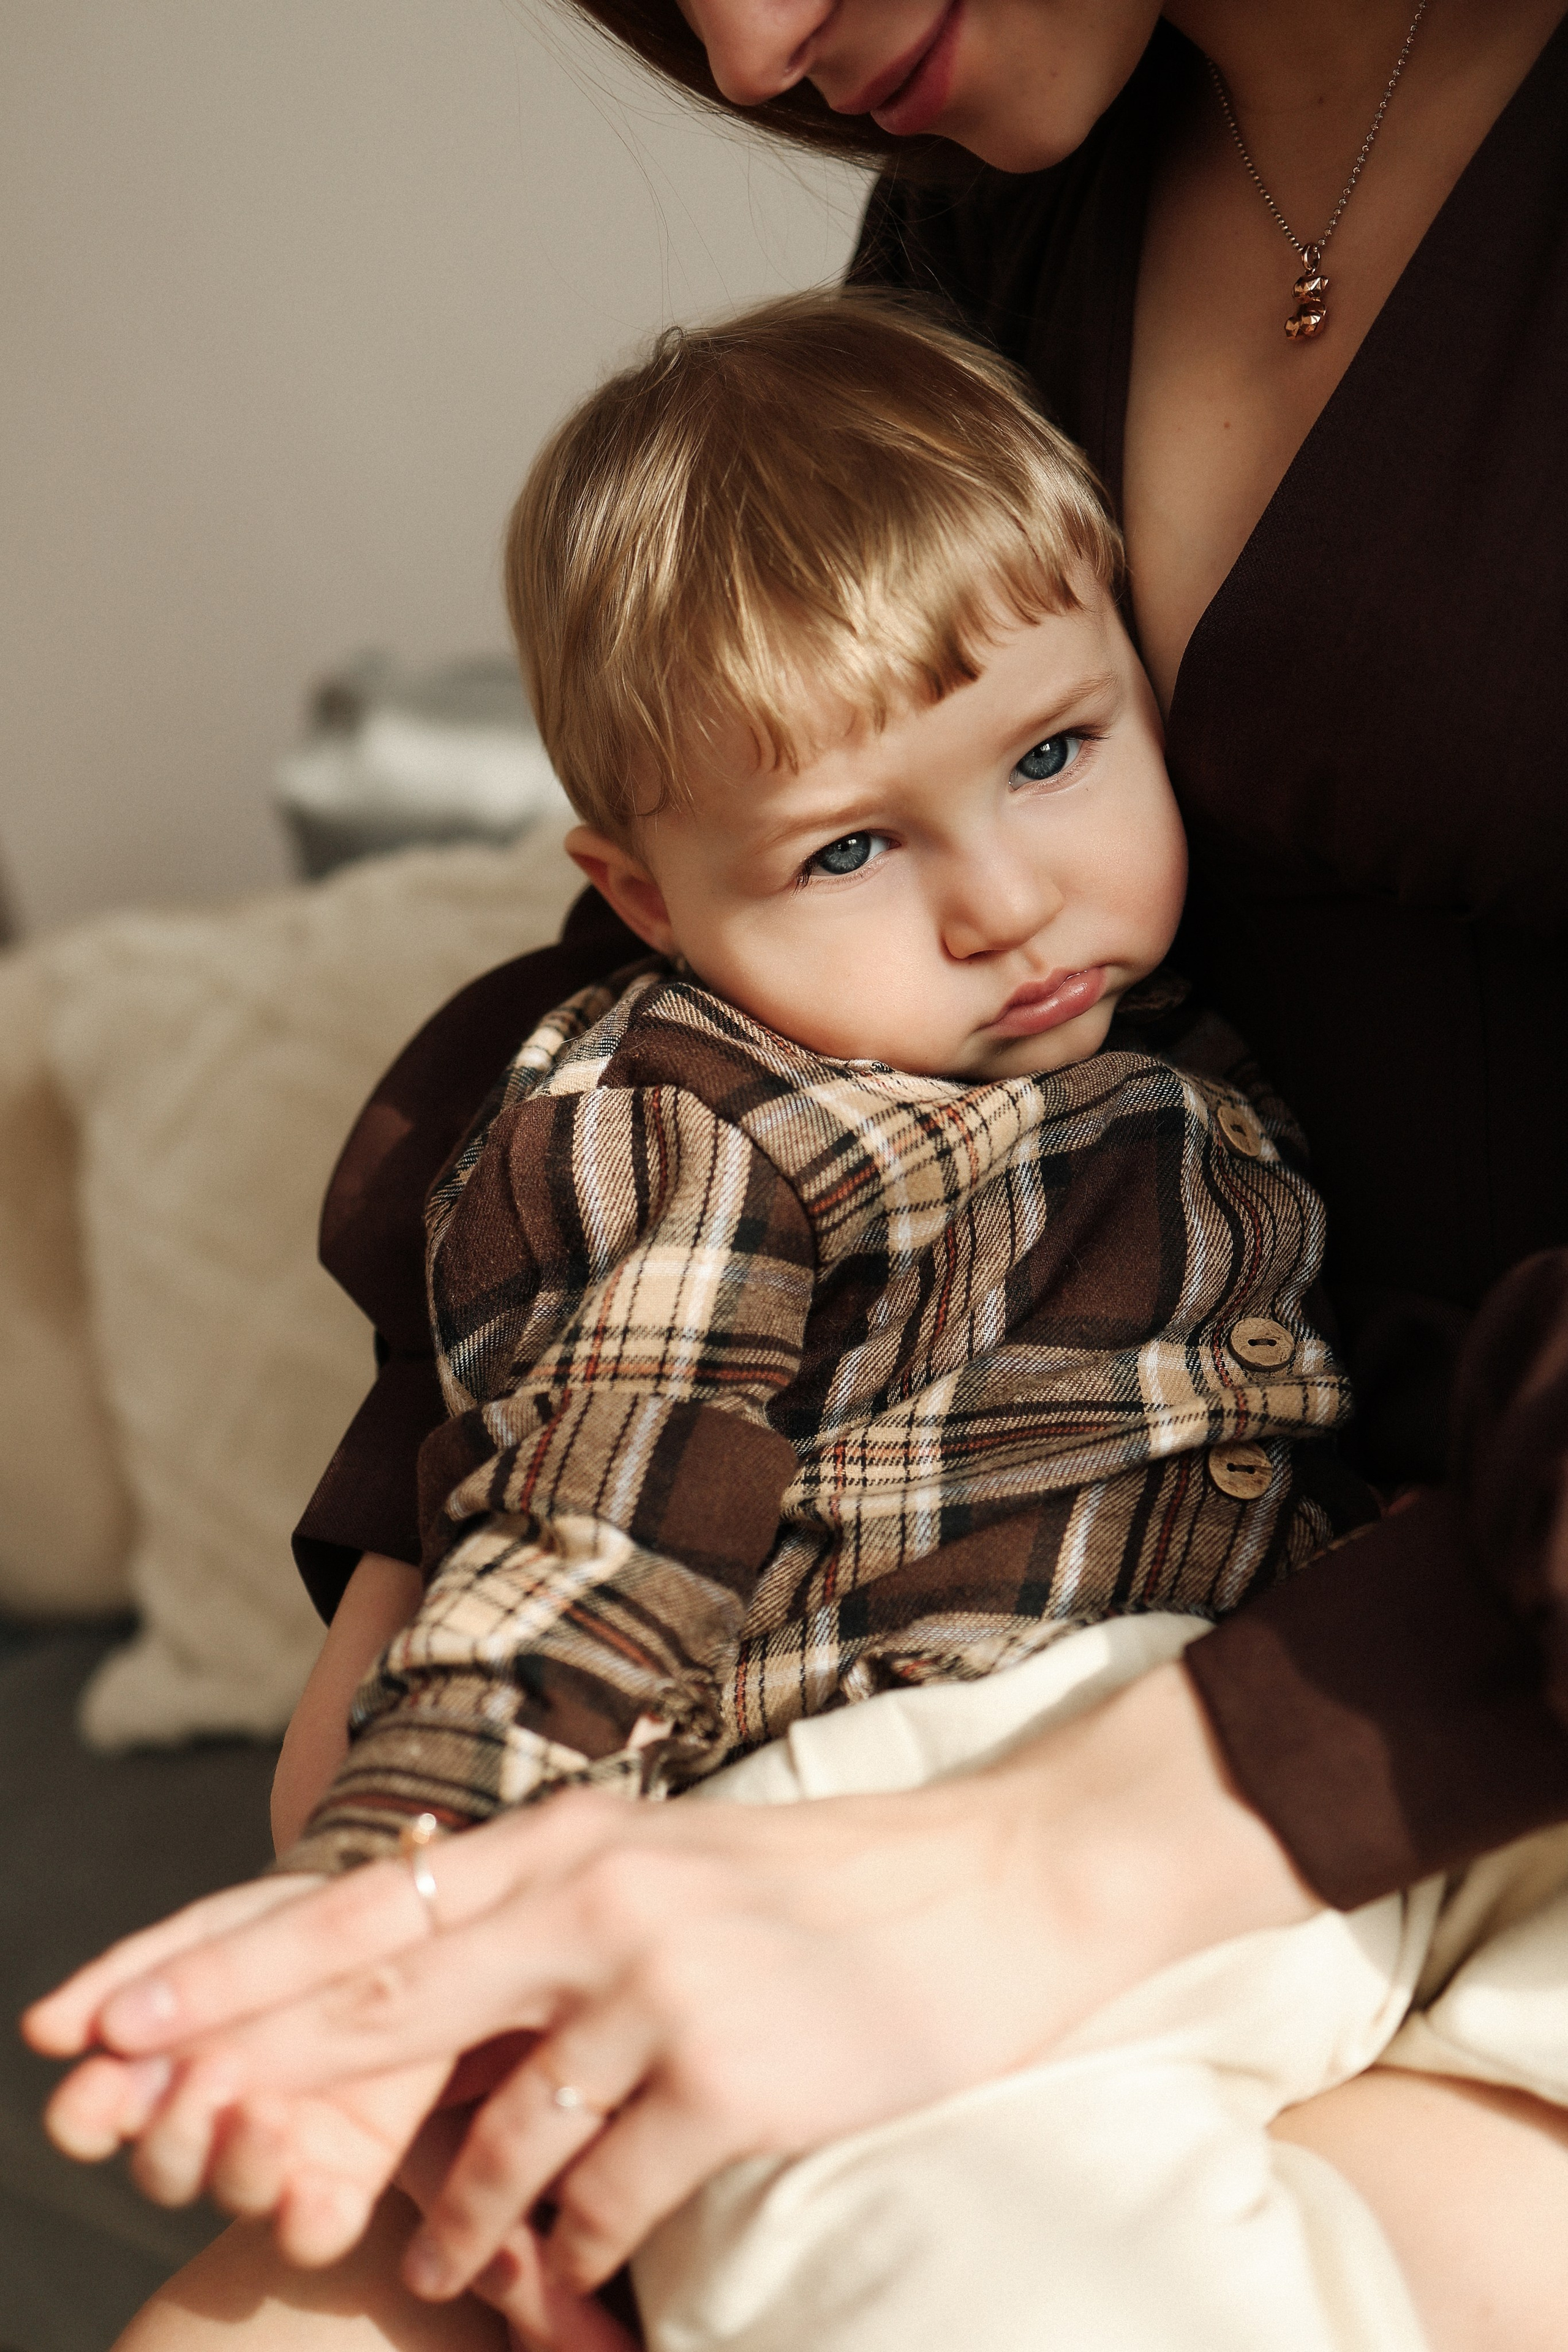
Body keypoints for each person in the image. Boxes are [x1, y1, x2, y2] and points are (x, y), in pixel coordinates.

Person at [23, 2, 1568, 2345]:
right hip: (961, 1715)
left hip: (1376, 1692)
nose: (741, 34)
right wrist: (412, 1790)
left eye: (1062, 754)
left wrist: (1068, 1857)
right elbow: (619, 1441)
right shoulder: (996, 227)